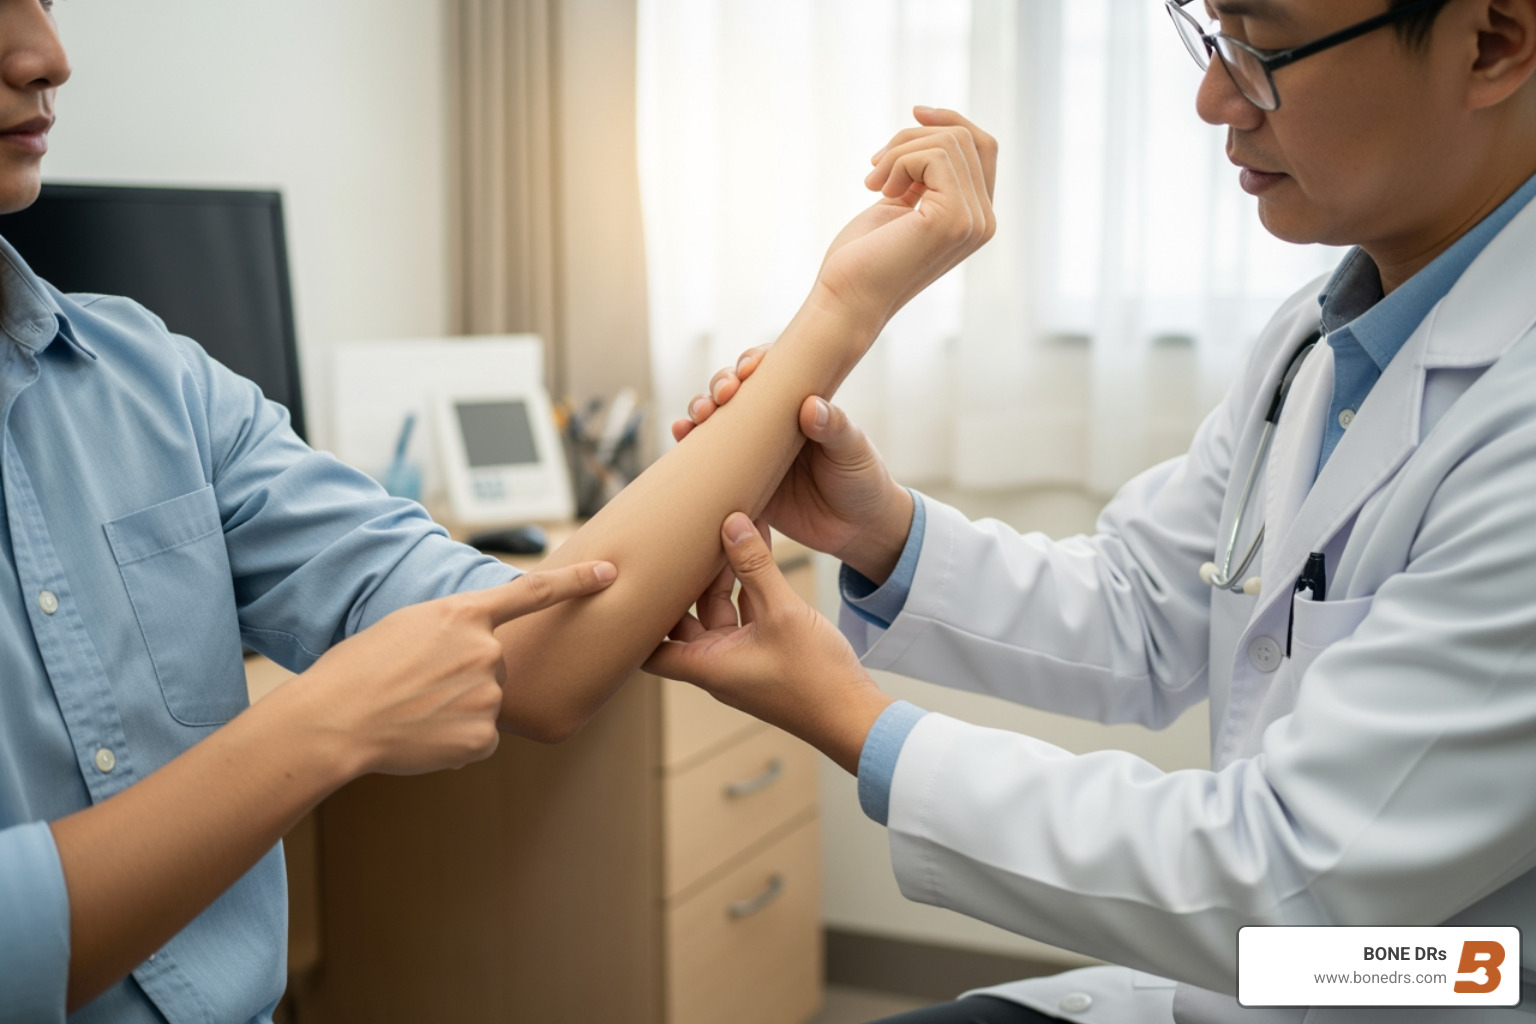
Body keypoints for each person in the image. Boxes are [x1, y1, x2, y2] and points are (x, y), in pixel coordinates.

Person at [0, 1, 996, 1020]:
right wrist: (317, 724)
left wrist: (841, 309)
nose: (48, 58)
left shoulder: (153, 383)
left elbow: (538, 656)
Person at [656, 0, 1536, 1021]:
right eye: (1213, 38)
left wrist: (857, 721)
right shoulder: (1323, 338)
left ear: (1492, 43)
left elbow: (1291, 874)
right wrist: (883, 532)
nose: (1215, 99)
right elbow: (1140, 602)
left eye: (1265, 49)